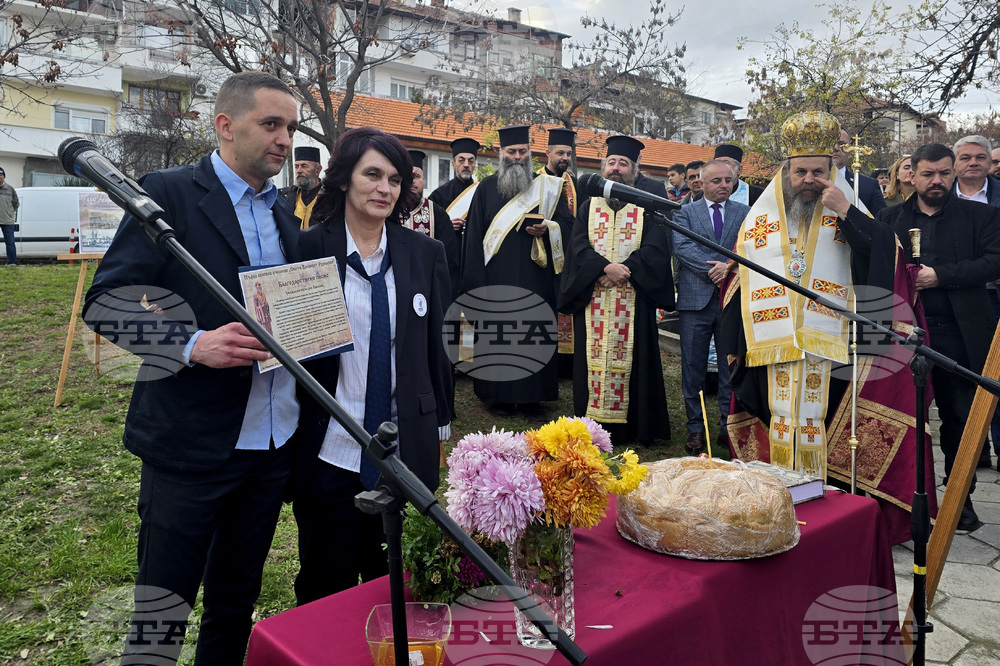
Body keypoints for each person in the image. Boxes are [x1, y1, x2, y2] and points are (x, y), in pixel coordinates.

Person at [83, 71, 302, 664]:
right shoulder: (169, 194)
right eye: (272, 124)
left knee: (234, 605)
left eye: (291, 127)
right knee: (162, 611)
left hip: (268, 443)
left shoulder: (285, 215)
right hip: (190, 444)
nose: (286, 139)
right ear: (226, 126)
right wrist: (189, 343)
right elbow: (105, 301)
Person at [721, 111, 936, 545]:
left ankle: (819, 511)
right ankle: (778, 504)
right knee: (780, 420)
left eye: (819, 171)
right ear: (787, 172)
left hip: (834, 342)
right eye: (800, 171)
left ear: (832, 170)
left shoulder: (849, 207)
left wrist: (846, 213)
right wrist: (733, 342)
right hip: (773, 342)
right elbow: (737, 277)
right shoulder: (761, 219)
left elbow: (884, 257)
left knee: (817, 422)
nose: (809, 180)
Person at [292, 127, 453, 603]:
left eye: (396, 179)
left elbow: (435, 346)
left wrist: (439, 422)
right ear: (344, 179)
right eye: (373, 175)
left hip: (404, 452)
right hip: (330, 450)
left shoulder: (424, 253)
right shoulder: (306, 250)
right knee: (326, 587)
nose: (385, 189)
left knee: (399, 591)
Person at [879, 142, 1000, 531]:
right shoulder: (890, 218)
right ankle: (903, 500)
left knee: (959, 419)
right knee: (904, 417)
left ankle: (960, 501)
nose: (937, 181)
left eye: (944, 173)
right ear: (911, 173)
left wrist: (940, 275)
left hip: (959, 333)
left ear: (954, 173)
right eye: (928, 174)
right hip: (903, 332)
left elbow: (994, 261)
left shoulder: (982, 216)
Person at [559, 134, 674, 444]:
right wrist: (602, 269)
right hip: (593, 297)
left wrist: (627, 270)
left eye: (624, 164)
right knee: (591, 364)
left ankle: (634, 428)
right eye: (611, 162)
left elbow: (656, 250)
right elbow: (578, 247)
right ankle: (592, 428)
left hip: (633, 299)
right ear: (603, 169)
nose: (616, 169)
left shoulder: (646, 209)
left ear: (633, 172)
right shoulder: (588, 207)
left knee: (635, 364)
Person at [461, 124, 574, 420]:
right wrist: (475, 283)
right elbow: (473, 238)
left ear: (530, 154)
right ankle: (495, 396)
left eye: (522, 151)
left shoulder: (547, 188)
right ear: (501, 154)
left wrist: (548, 228)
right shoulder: (485, 189)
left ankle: (532, 398)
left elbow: (569, 227)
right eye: (511, 151)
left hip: (535, 280)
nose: (516, 156)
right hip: (495, 279)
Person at [672, 160, 750, 453]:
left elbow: (749, 247)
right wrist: (714, 271)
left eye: (728, 181)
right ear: (701, 184)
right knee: (693, 366)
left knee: (730, 365)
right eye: (716, 181)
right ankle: (695, 428)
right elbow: (682, 247)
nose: (723, 186)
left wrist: (729, 268)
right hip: (695, 302)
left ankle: (726, 426)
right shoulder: (684, 212)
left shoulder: (745, 214)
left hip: (731, 300)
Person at [950, 135, 1000, 471]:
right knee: (966, 378)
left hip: (996, 294)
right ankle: (975, 449)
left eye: (980, 157)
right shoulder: (937, 198)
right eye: (965, 157)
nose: (973, 162)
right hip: (956, 301)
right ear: (954, 162)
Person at [538, 127, 579, 375]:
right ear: (548, 153)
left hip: (570, 258)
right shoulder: (536, 180)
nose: (565, 158)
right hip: (543, 260)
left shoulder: (576, 184)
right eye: (560, 153)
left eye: (568, 154)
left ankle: (566, 366)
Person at [406, 149, 460, 296]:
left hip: (429, 291)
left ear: (423, 180)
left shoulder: (438, 214)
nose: (412, 181)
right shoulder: (387, 212)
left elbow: (449, 260)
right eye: (408, 176)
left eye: (416, 176)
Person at [429, 137, 481, 237]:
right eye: (461, 160)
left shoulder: (481, 191)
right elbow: (430, 226)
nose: (466, 165)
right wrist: (446, 225)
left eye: (471, 161)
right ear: (453, 164)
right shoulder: (438, 195)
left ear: (474, 165)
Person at [832, 129, 887, 214]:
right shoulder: (808, 182)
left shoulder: (869, 186)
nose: (835, 148)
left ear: (850, 152)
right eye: (831, 143)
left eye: (842, 144)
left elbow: (880, 223)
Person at [280, 146, 324, 228]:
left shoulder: (329, 197)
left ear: (318, 170)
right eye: (296, 166)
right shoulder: (284, 196)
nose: (299, 171)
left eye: (304, 166)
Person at [0, 167, 18, 265]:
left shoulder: (10, 189)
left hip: (7, 221)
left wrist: (9, 213)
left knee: (10, 242)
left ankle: (12, 262)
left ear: (4, 177)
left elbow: (16, 203)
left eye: (1, 175)